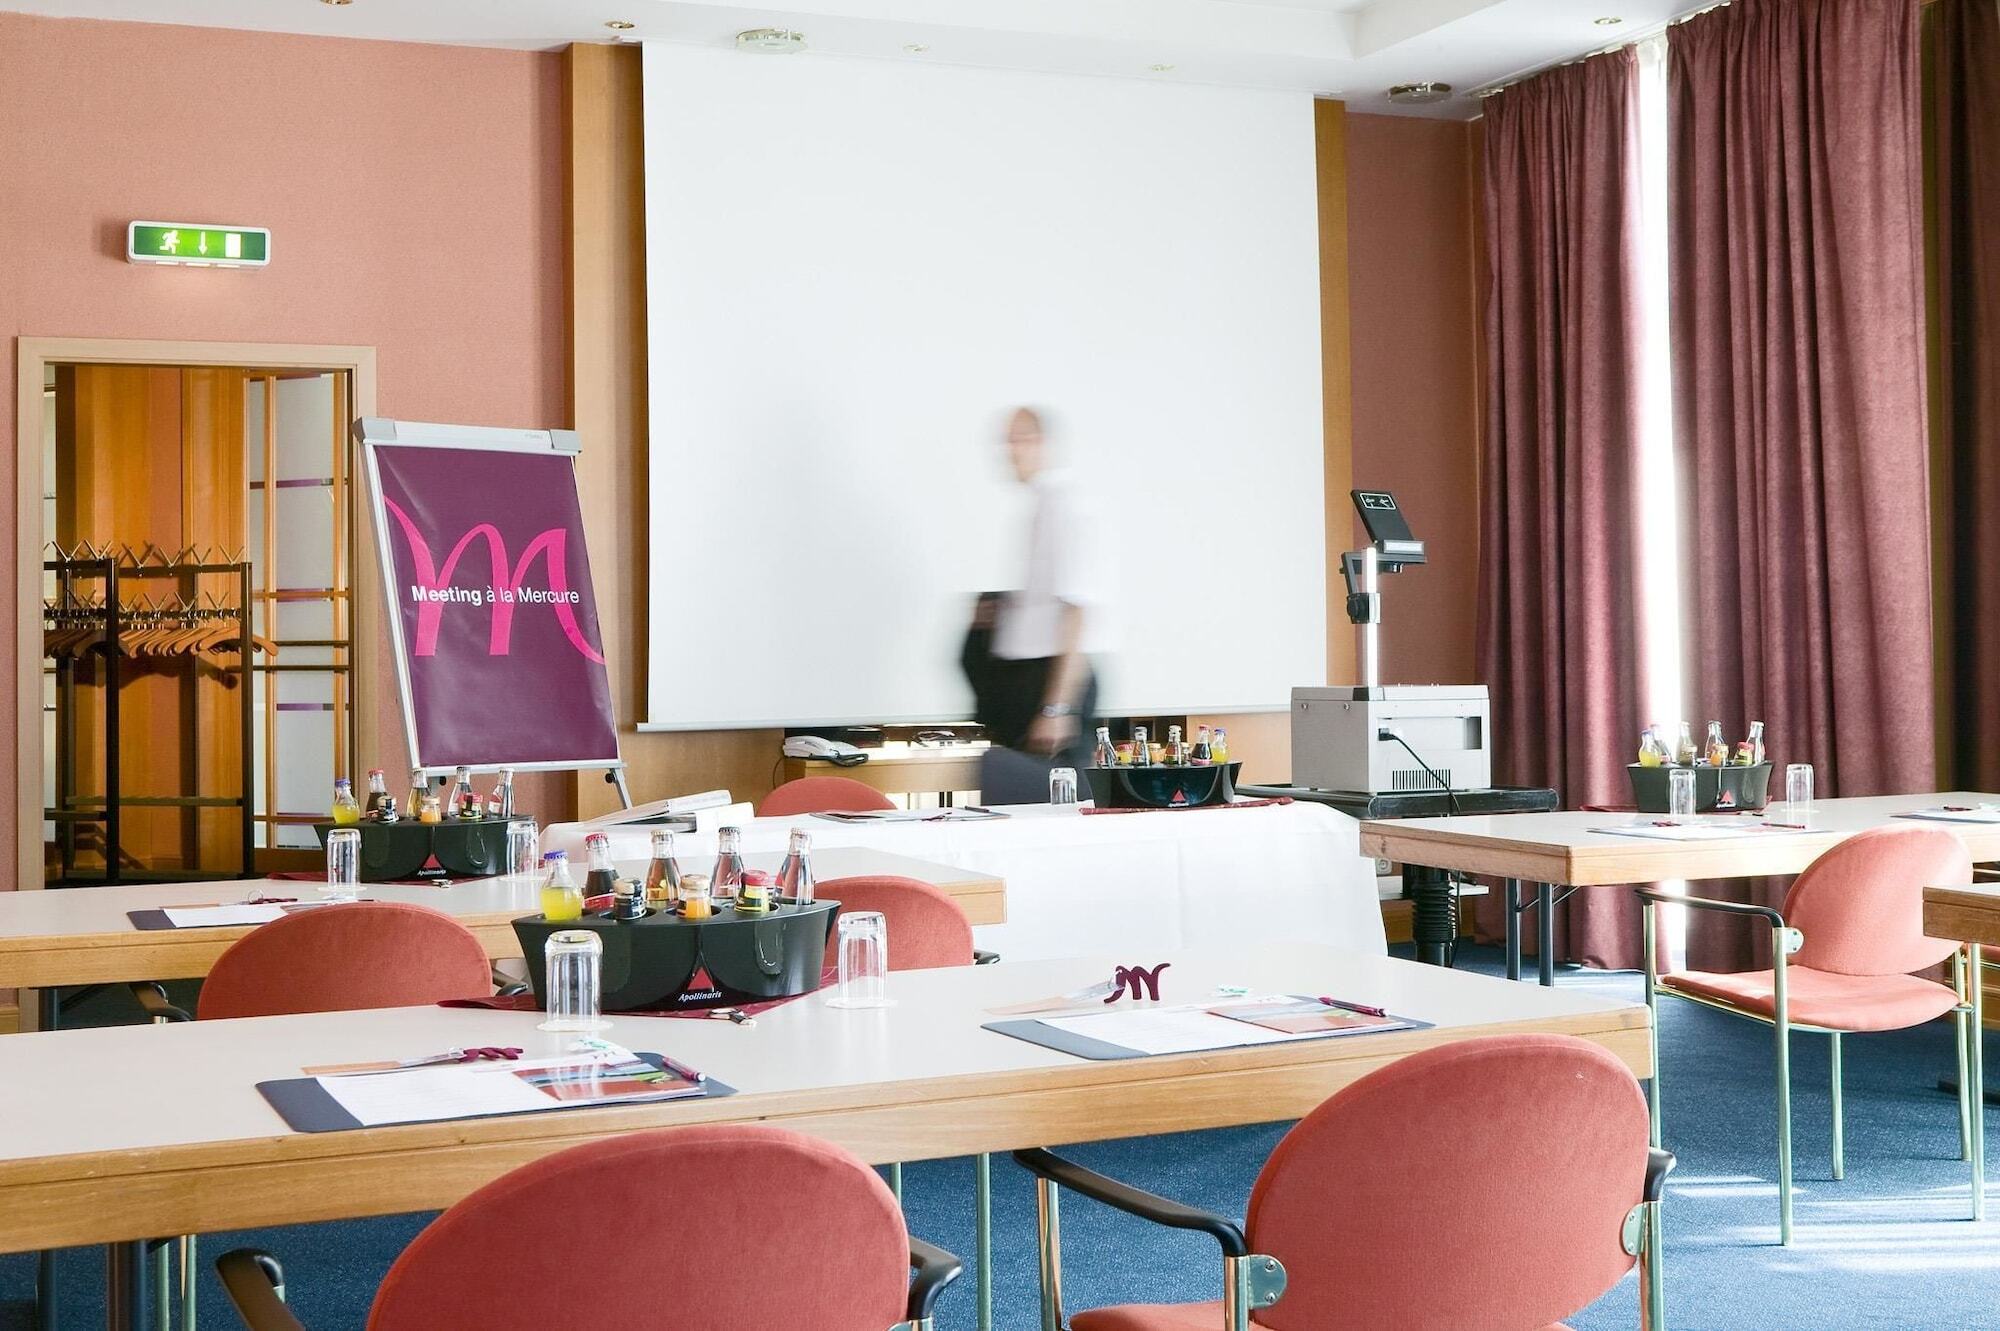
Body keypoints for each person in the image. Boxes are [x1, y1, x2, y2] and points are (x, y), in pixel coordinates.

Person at [983, 406, 1102, 770]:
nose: (1010, 451)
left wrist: (1057, 707)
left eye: (1019, 440)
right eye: (1007, 441)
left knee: (1050, 804)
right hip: (1029, 680)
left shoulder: (1063, 505)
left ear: (1041, 443)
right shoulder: (1040, 504)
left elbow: (1077, 610)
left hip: (1050, 683)